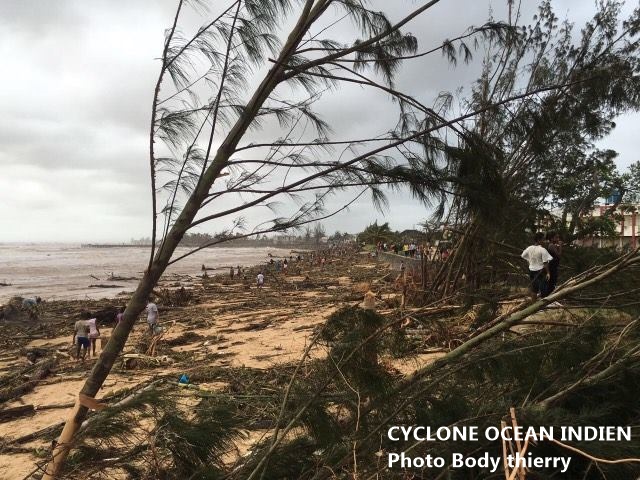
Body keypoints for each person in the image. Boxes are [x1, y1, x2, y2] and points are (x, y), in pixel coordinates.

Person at [521, 232, 553, 302]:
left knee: (534, 288)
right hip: (541, 271)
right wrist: (548, 273)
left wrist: (529, 263)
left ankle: (533, 304)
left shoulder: (529, 248)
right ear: (538, 240)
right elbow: (545, 262)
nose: (545, 241)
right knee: (543, 288)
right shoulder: (542, 250)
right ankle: (542, 305)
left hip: (531, 270)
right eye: (543, 239)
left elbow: (523, 255)